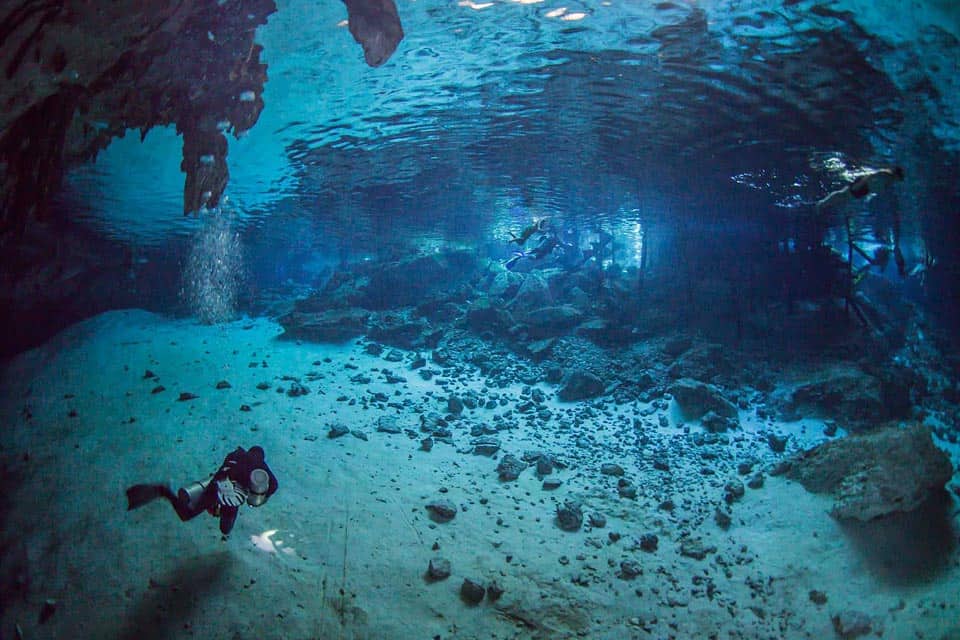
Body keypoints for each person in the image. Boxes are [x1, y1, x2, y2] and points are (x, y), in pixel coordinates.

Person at [126, 445, 278, 536]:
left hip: (219, 484)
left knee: (187, 514)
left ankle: (164, 491)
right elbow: (273, 486)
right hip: (232, 492)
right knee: (226, 529)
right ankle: (164, 490)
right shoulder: (262, 468)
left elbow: (223, 473)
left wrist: (213, 501)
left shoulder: (236, 454)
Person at [815, 166, 905, 212]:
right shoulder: (885, 174)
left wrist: (869, 195)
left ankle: (824, 205)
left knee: (845, 198)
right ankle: (822, 203)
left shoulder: (889, 181)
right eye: (898, 178)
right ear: (896, 175)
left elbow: (877, 187)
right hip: (863, 185)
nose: (897, 181)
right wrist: (860, 184)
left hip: (866, 189)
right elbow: (870, 176)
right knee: (844, 194)